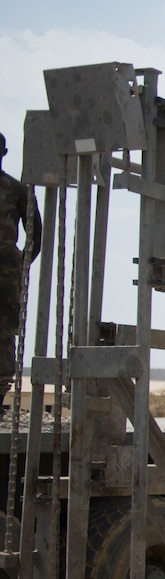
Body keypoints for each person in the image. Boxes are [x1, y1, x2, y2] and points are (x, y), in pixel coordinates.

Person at [0, 133, 42, 401]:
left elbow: (35, 233)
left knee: (4, 333)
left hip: (5, 272)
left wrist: (20, 262)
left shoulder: (16, 189)